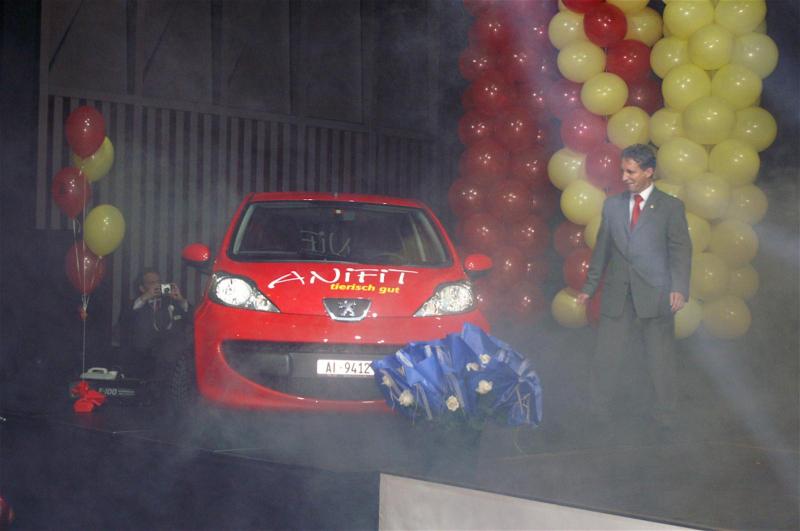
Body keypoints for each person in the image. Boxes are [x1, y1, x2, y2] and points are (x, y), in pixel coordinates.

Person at [577, 144, 692, 434]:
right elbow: (602, 249)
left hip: (656, 293)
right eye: (622, 171)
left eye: (631, 171)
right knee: (606, 356)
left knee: (660, 360)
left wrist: (679, 287)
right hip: (618, 292)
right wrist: (589, 286)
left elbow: (680, 250)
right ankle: (596, 412)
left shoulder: (671, 207)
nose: (624, 177)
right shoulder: (612, 205)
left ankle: (666, 417)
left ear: (649, 171)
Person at [118, 268, 192, 380]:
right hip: (142, 357)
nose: (156, 285)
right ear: (142, 288)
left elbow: (192, 317)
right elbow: (124, 319)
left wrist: (180, 299)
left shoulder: (172, 302)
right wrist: (145, 297)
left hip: (170, 359)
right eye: (151, 283)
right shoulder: (136, 304)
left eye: (158, 282)